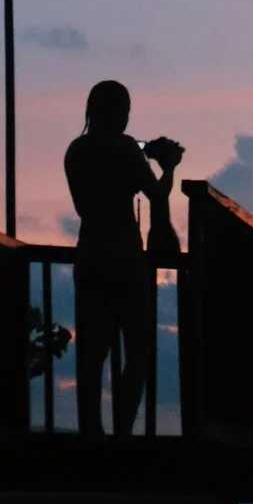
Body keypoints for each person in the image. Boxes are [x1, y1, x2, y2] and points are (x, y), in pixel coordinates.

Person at [63, 80, 181, 437]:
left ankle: (91, 431)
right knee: (138, 347)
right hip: (126, 258)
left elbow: (86, 199)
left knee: (92, 352)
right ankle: (123, 432)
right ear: (120, 111)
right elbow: (157, 193)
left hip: (89, 254)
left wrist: (144, 150)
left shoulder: (76, 150)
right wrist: (169, 165)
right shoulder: (127, 149)